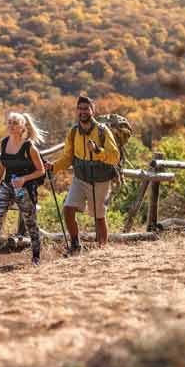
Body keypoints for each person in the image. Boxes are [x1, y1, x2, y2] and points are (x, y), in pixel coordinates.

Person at [46, 95, 120, 254]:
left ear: (92, 110)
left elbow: (115, 156)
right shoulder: (73, 132)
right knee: (68, 209)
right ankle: (75, 245)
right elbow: (67, 158)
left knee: (98, 216)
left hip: (100, 179)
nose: (83, 112)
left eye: (86, 108)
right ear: (76, 111)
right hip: (80, 178)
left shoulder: (102, 131)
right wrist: (53, 167)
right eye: (80, 109)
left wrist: (98, 151)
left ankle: (102, 250)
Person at [0, 112, 47, 267]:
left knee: (30, 221)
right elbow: (1, 165)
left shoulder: (29, 147)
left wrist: (24, 179)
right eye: (9, 122)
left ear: (23, 126)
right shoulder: (4, 142)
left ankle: (36, 257)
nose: (11, 126)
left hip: (25, 187)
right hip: (7, 185)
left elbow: (41, 170)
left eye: (15, 123)